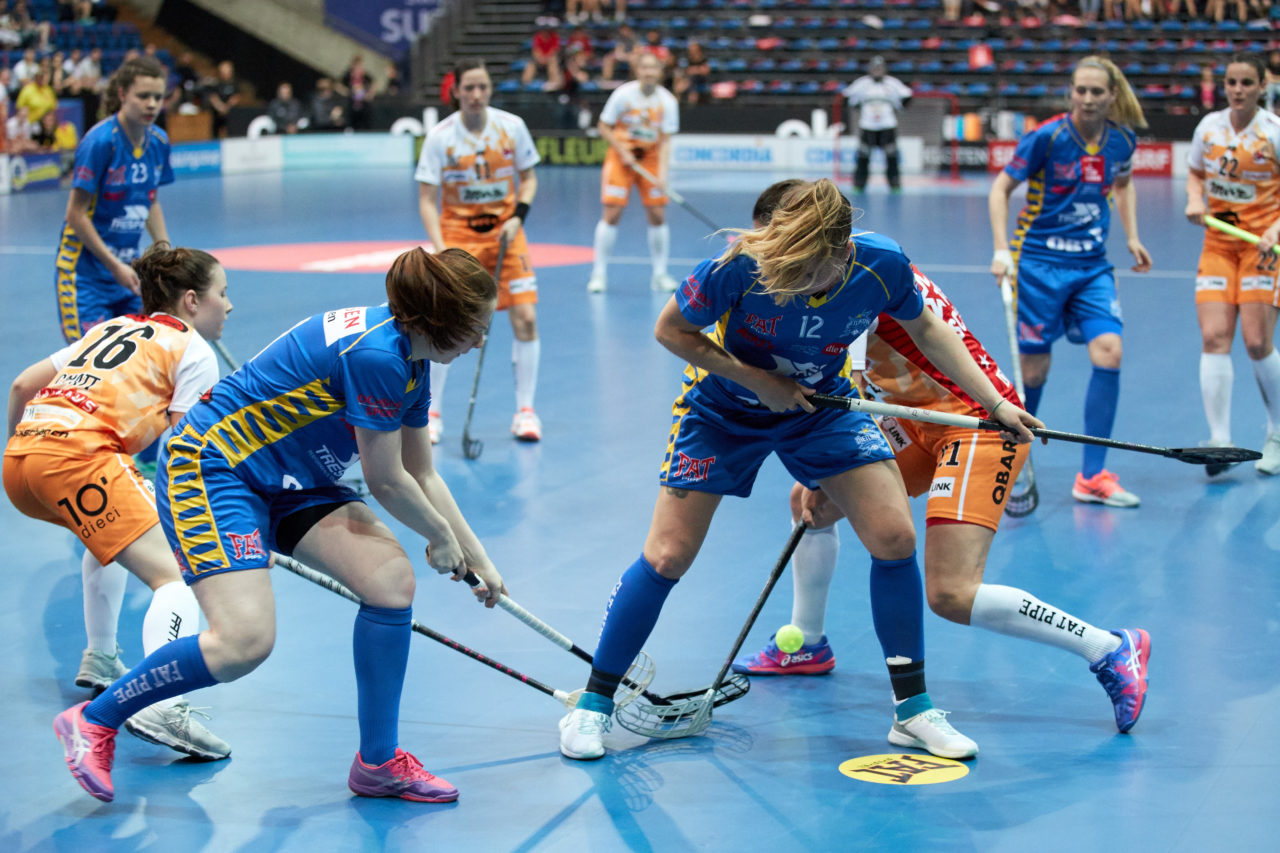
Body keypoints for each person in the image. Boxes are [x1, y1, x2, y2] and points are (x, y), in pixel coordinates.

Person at [557, 179, 1042, 762]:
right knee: (667, 555)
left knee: (893, 537)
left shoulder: (881, 264)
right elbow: (670, 330)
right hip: (724, 406)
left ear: (842, 251)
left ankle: (912, 711)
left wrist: (993, 404)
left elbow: (928, 329)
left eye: (806, 271)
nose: (788, 281)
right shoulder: (738, 266)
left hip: (818, 408)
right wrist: (759, 380)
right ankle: (593, 704)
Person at [50, 246, 509, 804]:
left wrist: (477, 556)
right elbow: (387, 481)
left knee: (389, 583)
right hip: (216, 467)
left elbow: (422, 471)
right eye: (477, 329)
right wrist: (439, 538)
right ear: (440, 322)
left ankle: (378, 763)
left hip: (293, 475)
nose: (481, 342)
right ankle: (95, 720)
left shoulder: (409, 355)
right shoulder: (379, 357)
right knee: (243, 642)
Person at [732, 180, 1151, 738]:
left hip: (976, 423)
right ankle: (807, 643)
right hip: (911, 416)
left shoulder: (846, 280)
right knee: (811, 505)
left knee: (951, 593)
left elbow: (842, 391)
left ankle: (1110, 647)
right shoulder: (849, 254)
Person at [6, 243, 234, 763]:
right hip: (82, 461)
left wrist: (23, 445)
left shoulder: (108, 328)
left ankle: (103, 658)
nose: (230, 305)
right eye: (224, 293)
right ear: (193, 301)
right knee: (177, 572)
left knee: (112, 534)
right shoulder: (193, 351)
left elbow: (22, 384)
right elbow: (182, 452)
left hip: (21, 462)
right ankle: (163, 703)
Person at [989, 56, 1151, 507]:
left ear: (1111, 96)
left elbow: (1124, 185)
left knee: (1110, 352)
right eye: (1080, 90)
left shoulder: (1122, 140)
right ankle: (1015, 459)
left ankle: (1093, 476)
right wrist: (1002, 249)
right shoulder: (1048, 137)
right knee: (1035, 371)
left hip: (1092, 267)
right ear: (1071, 93)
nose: (1088, 98)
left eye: (1097, 91)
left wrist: (1133, 236)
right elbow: (1001, 189)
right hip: (1037, 266)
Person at [416, 59, 543, 445]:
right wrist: (441, 249)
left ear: (490, 90)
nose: (476, 95)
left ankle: (525, 412)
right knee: (446, 325)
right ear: (456, 91)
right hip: (459, 237)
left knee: (524, 318)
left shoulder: (511, 128)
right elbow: (426, 199)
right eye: (468, 88)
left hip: (506, 234)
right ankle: (430, 413)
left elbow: (529, 180)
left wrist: (518, 218)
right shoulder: (440, 137)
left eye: (482, 87)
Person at [1184, 53, 1280, 475]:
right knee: (1215, 336)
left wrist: (1276, 230)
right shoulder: (1209, 127)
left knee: (1257, 342)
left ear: (1262, 86)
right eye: (1231, 82)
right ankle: (1220, 441)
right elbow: (1196, 174)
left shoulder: (1274, 132)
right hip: (1219, 246)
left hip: (1262, 248)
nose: (1238, 90)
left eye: (1246, 82)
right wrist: (1192, 198)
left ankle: (1277, 433)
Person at [54, 55, 172, 344]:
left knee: (138, 355)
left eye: (158, 97)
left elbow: (150, 200)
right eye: (143, 96)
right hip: (84, 276)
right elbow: (75, 214)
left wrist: (165, 251)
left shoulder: (158, 141)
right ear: (122, 94)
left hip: (128, 275)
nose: (152, 104)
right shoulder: (100, 142)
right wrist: (114, 266)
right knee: (89, 360)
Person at [586, 52, 680, 293]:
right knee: (612, 213)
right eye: (644, 67)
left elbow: (666, 141)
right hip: (621, 159)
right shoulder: (623, 95)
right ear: (637, 71)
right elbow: (603, 126)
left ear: (660, 72)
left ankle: (660, 275)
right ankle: (599, 274)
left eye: (653, 68)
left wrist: (663, 173)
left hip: (650, 159)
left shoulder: (667, 101)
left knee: (658, 215)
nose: (649, 72)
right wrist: (622, 151)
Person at [843, 56, 913, 194]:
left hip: (887, 126)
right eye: (874, 68)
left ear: (884, 69)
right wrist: (857, 107)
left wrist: (900, 107)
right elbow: (847, 96)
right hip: (867, 126)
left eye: (880, 68)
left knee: (891, 157)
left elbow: (908, 95)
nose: (877, 71)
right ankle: (859, 185)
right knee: (863, 157)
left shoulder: (892, 83)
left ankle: (895, 185)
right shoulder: (862, 83)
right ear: (870, 69)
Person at [205, 60, 239, 139]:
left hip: (231, 116)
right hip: (217, 116)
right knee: (215, 135)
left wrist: (227, 107)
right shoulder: (216, 84)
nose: (226, 72)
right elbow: (213, 98)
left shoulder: (234, 84)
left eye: (228, 70)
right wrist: (221, 108)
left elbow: (236, 98)